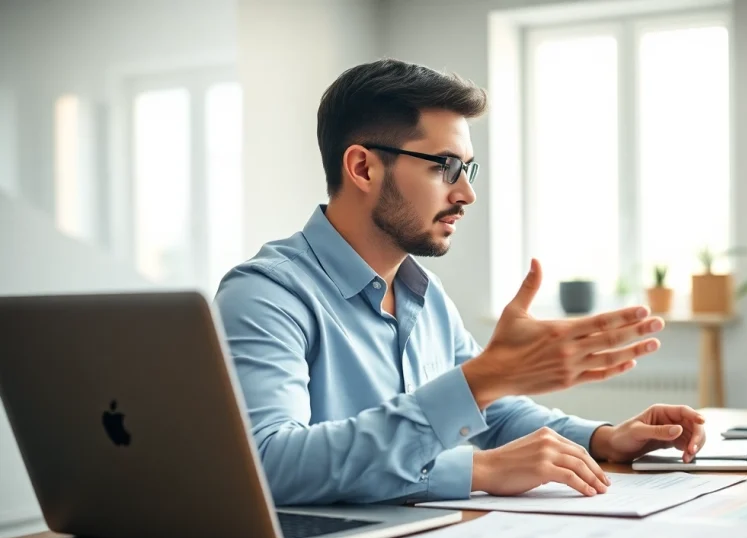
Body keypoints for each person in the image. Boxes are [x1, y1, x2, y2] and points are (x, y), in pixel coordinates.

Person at [214, 58, 706, 506]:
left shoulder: (423, 293)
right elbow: (269, 465)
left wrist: (603, 438)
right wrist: (477, 468)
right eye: (445, 166)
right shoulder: (265, 295)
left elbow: (491, 411)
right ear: (363, 167)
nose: (467, 192)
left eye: (468, 168)